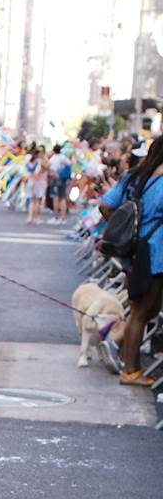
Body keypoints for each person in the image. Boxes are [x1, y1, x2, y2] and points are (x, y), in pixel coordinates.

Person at [99, 136, 163, 385]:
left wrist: (124, 233)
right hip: (155, 254)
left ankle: (127, 362)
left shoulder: (136, 175)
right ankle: (131, 371)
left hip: (134, 252)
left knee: (141, 310)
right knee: (141, 312)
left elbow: (106, 205)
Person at [26, 146, 49, 224]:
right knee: (37, 201)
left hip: (30, 181)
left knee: (32, 201)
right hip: (39, 182)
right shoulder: (39, 161)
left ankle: (30, 217)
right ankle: (36, 218)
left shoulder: (29, 161)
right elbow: (46, 168)